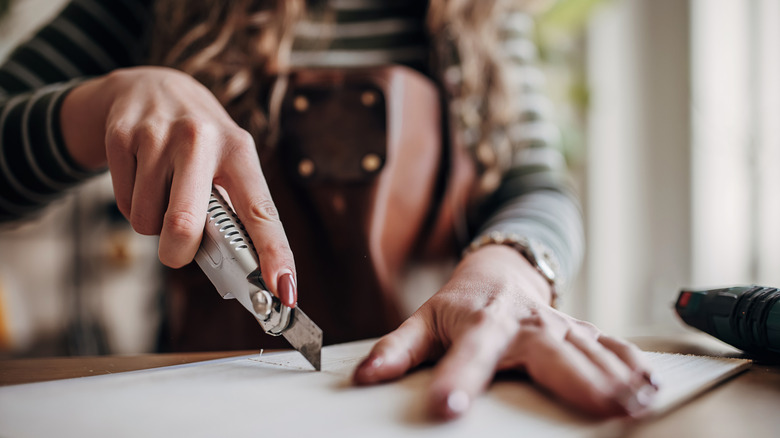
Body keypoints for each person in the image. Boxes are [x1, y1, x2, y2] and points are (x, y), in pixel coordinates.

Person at [0, 0, 657, 420]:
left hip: (423, 401)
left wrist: (506, 273)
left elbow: (537, 190)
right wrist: (95, 107)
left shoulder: (481, 16)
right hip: (210, 405)